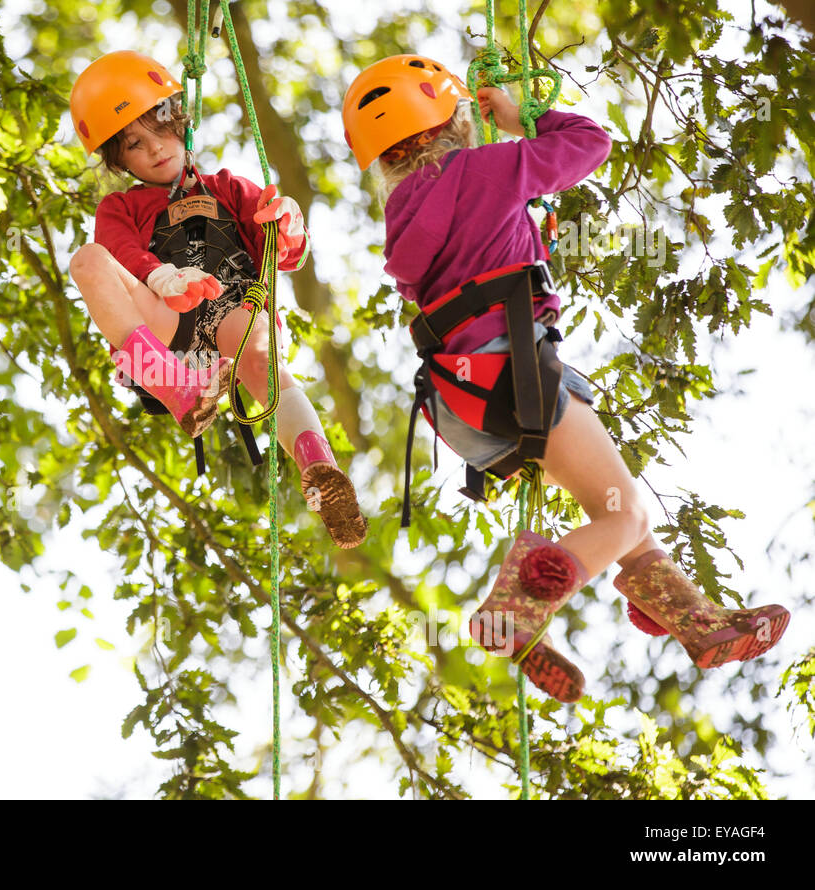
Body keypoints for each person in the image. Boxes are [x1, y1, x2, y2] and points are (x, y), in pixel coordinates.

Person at [342, 54, 789, 700]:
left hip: (461, 409)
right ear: (456, 122)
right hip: (516, 376)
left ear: (383, 160)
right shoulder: (483, 170)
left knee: (611, 504)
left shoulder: (402, 219)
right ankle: (518, 604)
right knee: (627, 510)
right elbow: (589, 144)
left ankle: (695, 621)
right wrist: (526, 116)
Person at [68, 50, 366, 549]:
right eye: (136, 145)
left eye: (160, 129)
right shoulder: (120, 206)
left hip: (233, 313)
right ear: (121, 163)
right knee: (87, 260)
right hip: (167, 322)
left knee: (258, 355)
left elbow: (284, 254)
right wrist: (160, 276)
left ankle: (319, 469)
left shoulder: (229, 187)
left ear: (181, 122)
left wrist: (287, 222)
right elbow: (117, 249)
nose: (156, 149)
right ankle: (174, 385)